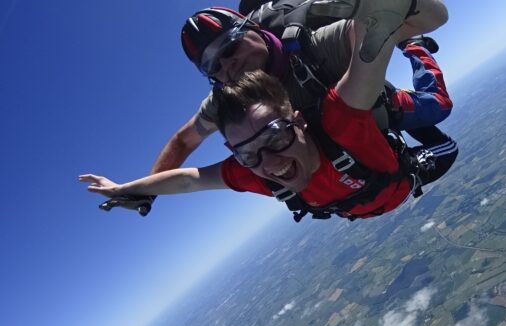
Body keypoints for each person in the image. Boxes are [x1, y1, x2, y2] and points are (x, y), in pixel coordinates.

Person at [82, 0, 455, 221]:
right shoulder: (229, 103)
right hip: (339, 141)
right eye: (216, 69)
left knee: (435, 109)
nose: (229, 69)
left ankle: (417, 50)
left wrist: (380, 14)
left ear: (253, 30)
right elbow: (185, 146)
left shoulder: (316, 45)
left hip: (365, 109)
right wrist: (145, 191)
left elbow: (421, 18)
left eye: (230, 50)